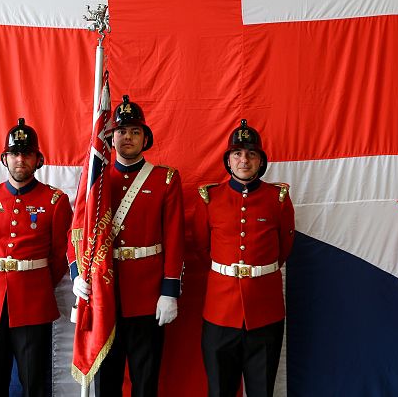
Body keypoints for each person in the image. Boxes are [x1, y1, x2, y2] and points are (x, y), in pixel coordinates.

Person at [70, 95, 185, 397]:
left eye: (135, 131)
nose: (128, 137)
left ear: (145, 138)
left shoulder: (164, 179)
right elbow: (78, 230)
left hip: (147, 297)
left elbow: (175, 239)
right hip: (104, 292)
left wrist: (169, 291)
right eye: (121, 131)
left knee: (145, 381)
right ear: (111, 137)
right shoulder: (96, 179)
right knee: (106, 383)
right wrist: (77, 274)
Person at [0, 118, 72, 397]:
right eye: (14, 153)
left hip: (33, 302)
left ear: (38, 159)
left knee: (34, 383)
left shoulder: (55, 201)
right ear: (5, 158)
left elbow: (60, 255)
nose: (20, 159)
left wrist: (34, 281)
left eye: (27, 154)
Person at [194, 119, 295, 397]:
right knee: (220, 390)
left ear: (261, 160)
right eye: (237, 153)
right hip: (219, 312)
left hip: (264, 311)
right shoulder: (210, 198)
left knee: (262, 390)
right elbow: (202, 249)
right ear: (228, 160)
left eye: (251, 154)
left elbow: (283, 249)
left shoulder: (278, 199)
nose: (244, 160)